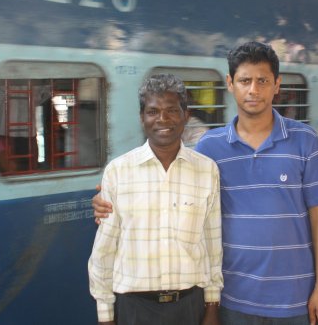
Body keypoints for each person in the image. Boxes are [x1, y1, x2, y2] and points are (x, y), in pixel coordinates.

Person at [94, 42, 318, 325]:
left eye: (262, 81)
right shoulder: (210, 148)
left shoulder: (305, 140)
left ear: (277, 84)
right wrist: (107, 200)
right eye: (245, 81)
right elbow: (175, 187)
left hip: (294, 298)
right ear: (230, 84)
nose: (253, 90)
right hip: (233, 298)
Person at [87, 74, 223, 325]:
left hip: (190, 305)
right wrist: (105, 315)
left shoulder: (207, 170)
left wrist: (212, 305)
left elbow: (213, 244)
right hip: (135, 307)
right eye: (153, 111)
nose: (162, 119)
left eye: (172, 110)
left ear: (185, 115)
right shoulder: (118, 171)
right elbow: (104, 250)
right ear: (142, 117)